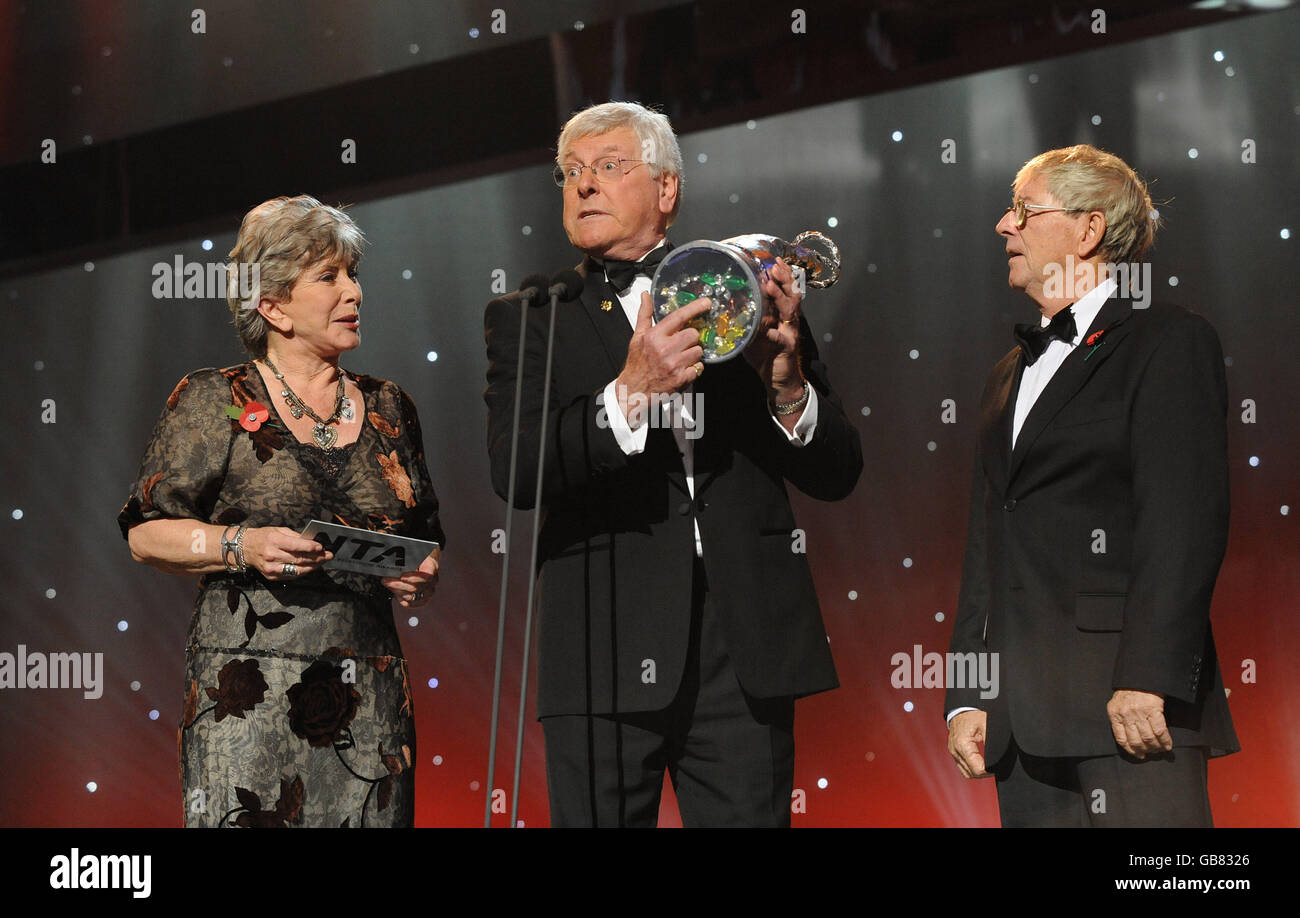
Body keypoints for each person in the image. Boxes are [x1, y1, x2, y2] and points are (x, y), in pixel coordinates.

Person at [483, 101, 862, 827]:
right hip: (602, 639)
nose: (584, 185)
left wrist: (785, 381)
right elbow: (518, 470)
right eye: (570, 173)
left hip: (742, 641)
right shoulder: (536, 312)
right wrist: (628, 393)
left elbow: (838, 472)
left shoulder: (737, 296)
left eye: (607, 167)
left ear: (666, 190)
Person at [120, 195, 443, 827]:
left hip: (369, 701)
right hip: (248, 695)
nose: (353, 291)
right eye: (329, 277)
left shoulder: (390, 408)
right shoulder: (214, 398)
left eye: (353, 274)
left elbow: (423, 541)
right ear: (272, 305)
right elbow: (145, 533)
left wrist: (421, 576)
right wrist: (240, 545)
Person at [945, 145, 1239, 827]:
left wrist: (1150, 677)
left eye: (1023, 209)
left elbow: (1183, 522)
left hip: (1131, 714)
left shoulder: (1167, 342)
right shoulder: (1004, 375)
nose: (1002, 225)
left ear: (1088, 229)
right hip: (1018, 728)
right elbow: (987, 545)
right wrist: (967, 694)